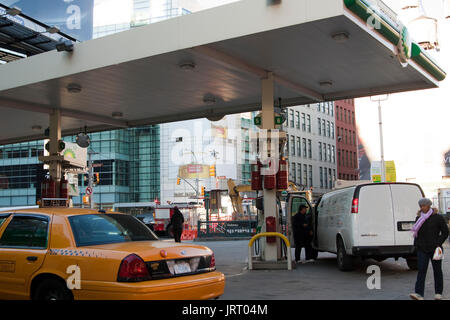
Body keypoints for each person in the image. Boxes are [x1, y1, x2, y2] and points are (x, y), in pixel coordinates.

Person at [409, 198, 449, 300]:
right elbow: (416, 234)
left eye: (424, 205)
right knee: (421, 270)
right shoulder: (418, 218)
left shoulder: (437, 217)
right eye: (421, 206)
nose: (422, 207)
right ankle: (419, 294)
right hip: (422, 249)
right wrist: (416, 246)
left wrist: (438, 243)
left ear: (429, 206)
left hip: (436, 249)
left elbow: (445, 232)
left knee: (437, 271)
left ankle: (438, 293)